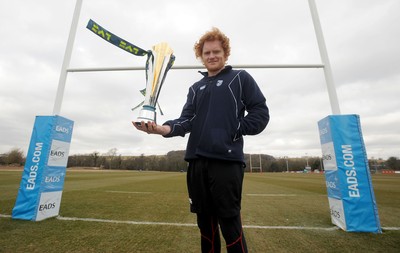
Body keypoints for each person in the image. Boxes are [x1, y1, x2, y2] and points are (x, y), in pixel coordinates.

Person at [133, 27, 270, 253]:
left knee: (230, 225)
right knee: (205, 226)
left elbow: (260, 113)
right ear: (201, 56)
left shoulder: (239, 78)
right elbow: (187, 121)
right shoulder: (195, 88)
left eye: (216, 51)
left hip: (226, 163)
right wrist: (161, 129)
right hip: (196, 162)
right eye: (207, 53)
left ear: (225, 54)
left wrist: (235, 128)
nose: (212, 56)